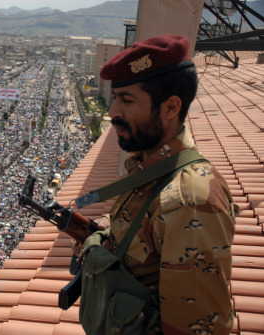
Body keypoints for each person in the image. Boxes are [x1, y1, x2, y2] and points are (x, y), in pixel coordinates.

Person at [74, 35, 236, 334]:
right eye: (115, 98)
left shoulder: (189, 201)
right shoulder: (151, 171)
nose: (112, 113)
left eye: (127, 100)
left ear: (171, 107)